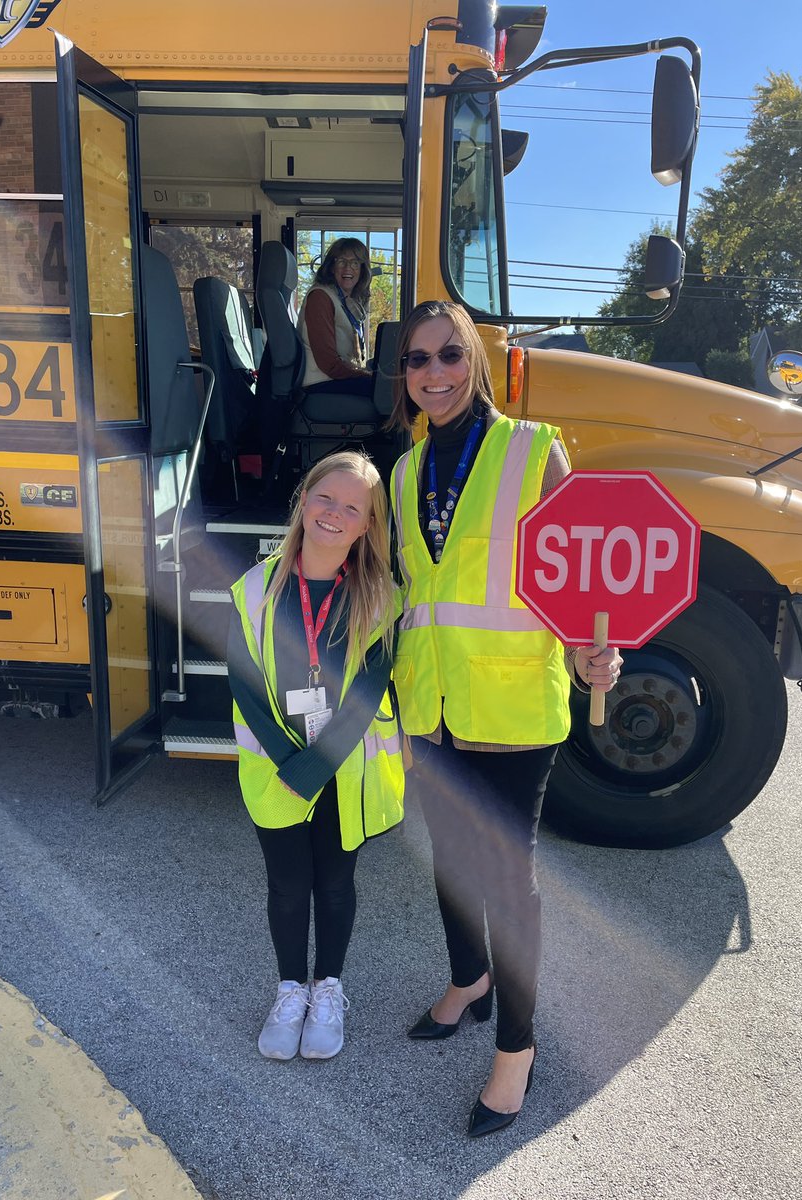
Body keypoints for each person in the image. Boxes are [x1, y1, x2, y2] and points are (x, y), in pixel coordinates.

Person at [388, 300, 623, 1137]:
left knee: (508, 879)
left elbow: (586, 574)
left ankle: (517, 1053)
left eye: (450, 354)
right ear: (405, 376)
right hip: (433, 705)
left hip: (515, 705)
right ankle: (469, 982)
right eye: (417, 361)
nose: (435, 373)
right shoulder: (404, 471)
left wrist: (595, 654)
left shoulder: (533, 449)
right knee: (451, 860)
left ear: (476, 360)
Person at [228, 450, 403, 1062]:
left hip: (343, 767)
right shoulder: (256, 587)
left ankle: (327, 986)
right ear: (305, 499)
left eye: (352, 508)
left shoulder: (380, 597)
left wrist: (319, 763)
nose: (335, 513)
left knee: (334, 882)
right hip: (279, 768)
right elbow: (244, 680)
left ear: (366, 526)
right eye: (326, 498)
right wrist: (288, 759)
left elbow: (368, 688)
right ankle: (289, 989)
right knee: (286, 884)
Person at [297, 237, 375, 400]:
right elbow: (328, 363)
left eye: (355, 263)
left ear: (362, 270)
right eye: (341, 261)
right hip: (321, 384)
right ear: (332, 267)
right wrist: (367, 376)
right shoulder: (320, 297)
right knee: (390, 391)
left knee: (391, 385)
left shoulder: (344, 301)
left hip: (336, 379)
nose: (348, 268)